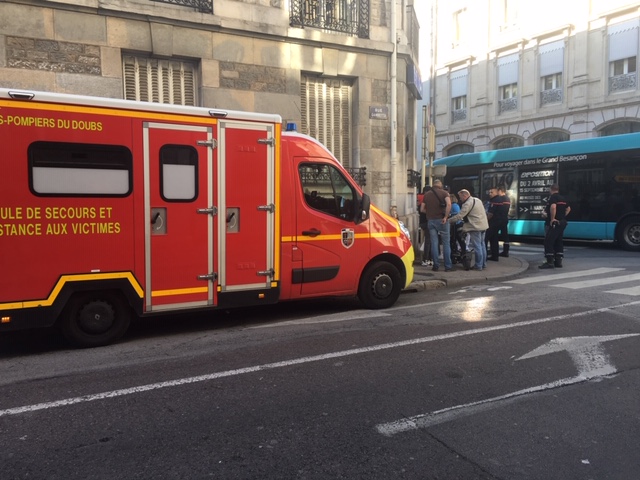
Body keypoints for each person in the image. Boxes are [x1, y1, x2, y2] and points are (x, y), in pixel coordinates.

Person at [449, 189, 489, 271]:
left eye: (460, 197)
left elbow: (460, 216)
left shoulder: (467, 204)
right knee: (482, 245)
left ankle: (478, 265)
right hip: (483, 225)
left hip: (475, 227)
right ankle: (483, 264)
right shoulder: (477, 200)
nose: (460, 199)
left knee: (477, 246)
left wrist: (449, 221)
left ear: (464, 195)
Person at [539, 183, 571, 269]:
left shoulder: (553, 197)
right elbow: (568, 208)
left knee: (548, 241)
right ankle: (558, 261)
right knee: (559, 241)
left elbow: (553, 207)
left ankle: (549, 262)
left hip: (555, 223)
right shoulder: (563, 198)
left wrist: (552, 218)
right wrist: (562, 216)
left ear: (551, 189)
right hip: (562, 222)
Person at [423, 179, 452, 272]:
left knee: (434, 243)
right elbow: (448, 204)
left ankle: (436, 265)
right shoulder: (444, 193)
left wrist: (429, 213)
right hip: (442, 220)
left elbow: (421, 209)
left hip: (431, 221)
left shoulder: (427, 194)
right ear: (440, 185)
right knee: (446, 243)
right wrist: (446, 217)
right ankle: (448, 266)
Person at [486, 186, 510, 261]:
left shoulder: (495, 200)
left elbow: (490, 213)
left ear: (498, 192)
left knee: (486, 238)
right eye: (489, 192)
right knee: (495, 238)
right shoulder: (505, 199)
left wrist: (485, 220)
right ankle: (496, 255)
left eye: (491, 192)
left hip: (494, 222)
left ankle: (484, 255)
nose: (490, 194)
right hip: (503, 220)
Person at [419, 186, 433, 266]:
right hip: (427, 222)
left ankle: (427, 259)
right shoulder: (427, 199)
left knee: (428, 241)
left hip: (423, 222)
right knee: (429, 241)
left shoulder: (421, 198)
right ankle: (427, 259)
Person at [498, 185, 511, 257]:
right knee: (505, 235)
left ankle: (494, 250)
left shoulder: (501, 199)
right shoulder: (508, 198)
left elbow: (499, 209)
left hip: (500, 219)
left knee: (494, 235)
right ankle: (506, 251)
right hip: (505, 218)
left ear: (500, 191)